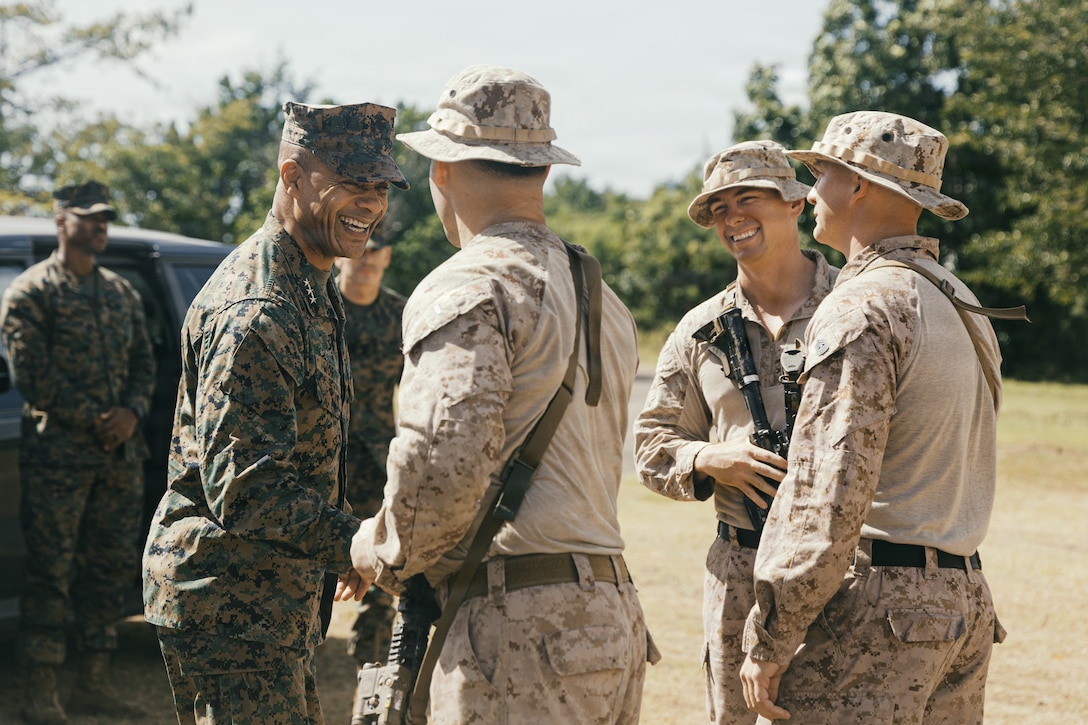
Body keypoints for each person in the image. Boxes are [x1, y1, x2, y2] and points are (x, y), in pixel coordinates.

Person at [342, 64, 654, 724]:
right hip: (611, 610)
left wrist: (380, 550)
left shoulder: (467, 284)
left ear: (442, 172)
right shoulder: (604, 297)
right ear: (541, 171)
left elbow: (441, 465)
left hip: (517, 627)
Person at [142, 101, 408, 724]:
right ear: (292, 177)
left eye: (379, 186)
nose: (370, 203)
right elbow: (247, 487)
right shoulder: (259, 310)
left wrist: (341, 547)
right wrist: (354, 541)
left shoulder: (308, 283)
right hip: (228, 605)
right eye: (351, 184)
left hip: (268, 600)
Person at [740, 111, 1008, 722]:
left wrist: (771, 634)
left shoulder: (864, 304)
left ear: (857, 185)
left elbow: (829, 490)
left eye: (821, 174)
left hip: (878, 608)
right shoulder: (961, 300)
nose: (809, 193)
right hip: (962, 599)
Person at [633, 140, 837, 724]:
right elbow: (651, 445)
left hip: (843, 568)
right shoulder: (700, 330)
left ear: (796, 204)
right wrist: (708, 458)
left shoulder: (854, 305)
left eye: (748, 199)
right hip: (739, 569)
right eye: (719, 208)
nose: (733, 219)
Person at [0, 180, 155, 724]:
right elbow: (33, 378)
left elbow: (145, 362)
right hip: (58, 461)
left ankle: (93, 683)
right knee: (50, 575)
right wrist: (98, 419)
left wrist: (132, 411)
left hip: (118, 460)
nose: (100, 226)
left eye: (105, 218)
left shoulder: (120, 293)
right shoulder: (30, 292)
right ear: (61, 220)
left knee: (108, 573)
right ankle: (40, 694)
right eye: (89, 217)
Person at [333, 238, 405, 666]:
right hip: (322, 459)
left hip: (378, 459)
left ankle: (371, 663)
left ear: (386, 258)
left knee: (381, 561)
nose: (367, 259)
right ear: (343, 254)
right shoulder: (316, 304)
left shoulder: (401, 314)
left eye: (378, 250)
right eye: (362, 249)